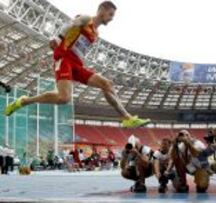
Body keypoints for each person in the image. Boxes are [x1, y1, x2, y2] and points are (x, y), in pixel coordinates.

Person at [4, 1, 150, 128]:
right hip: (64, 58)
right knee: (63, 98)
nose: (111, 19)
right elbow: (70, 25)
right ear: (102, 9)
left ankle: (127, 118)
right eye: (110, 14)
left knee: (107, 84)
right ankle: (24, 101)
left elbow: (79, 46)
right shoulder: (87, 19)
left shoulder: (96, 33)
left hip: (77, 63)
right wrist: (58, 38)